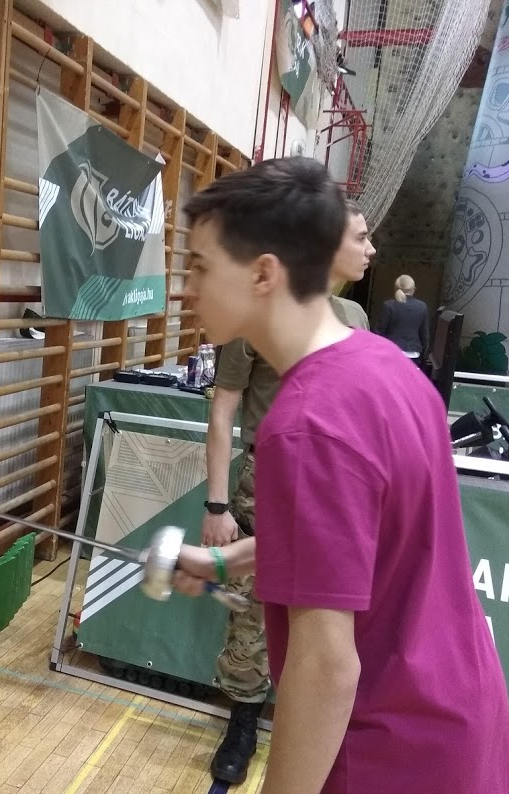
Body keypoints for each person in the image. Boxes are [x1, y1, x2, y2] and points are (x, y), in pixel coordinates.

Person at [175, 157, 509, 794]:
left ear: (263, 274)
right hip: (459, 723)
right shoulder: (385, 367)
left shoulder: (305, 425)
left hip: (390, 753)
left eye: (199, 266)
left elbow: (326, 667)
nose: (187, 289)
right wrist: (227, 561)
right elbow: (355, 542)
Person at [203, 200, 376, 785]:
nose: (371, 249)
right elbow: (223, 410)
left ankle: (316, 728)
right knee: (252, 608)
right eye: (360, 236)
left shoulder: (355, 318)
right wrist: (217, 505)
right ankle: (243, 720)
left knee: (330, 617)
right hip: (268, 481)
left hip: (336, 486)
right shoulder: (258, 318)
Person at [374, 274, 429, 362]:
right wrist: (424, 353)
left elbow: (379, 331)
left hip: (391, 351)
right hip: (413, 353)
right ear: (413, 289)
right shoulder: (422, 306)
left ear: (395, 289)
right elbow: (424, 334)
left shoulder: (388, 305)